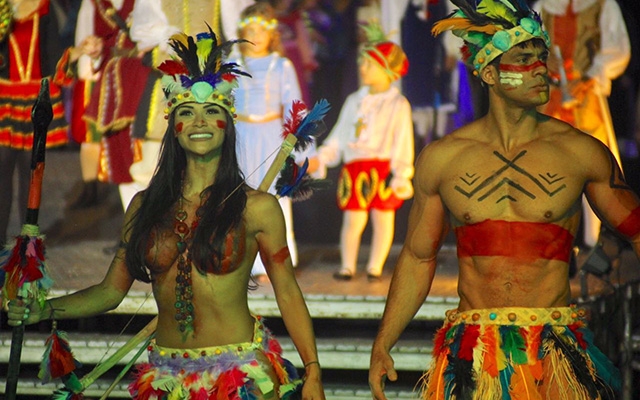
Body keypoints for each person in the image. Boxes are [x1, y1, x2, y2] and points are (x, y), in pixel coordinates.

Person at [5, 30, 325, 399]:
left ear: (228, 125)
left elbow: (287, 291)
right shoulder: (144, 205)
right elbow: (110, 292)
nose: (200, 122)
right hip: (166, 378)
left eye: (211, 112)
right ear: (174, 126)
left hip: (241, 377)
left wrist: (313, 369)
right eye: (187, 112)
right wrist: (43, 309)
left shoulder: (257, 208)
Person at [369, 0, 640, 399]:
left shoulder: (582, 152)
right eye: (523, 59)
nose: (540, 70)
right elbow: (418, 257)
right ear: (489, 73)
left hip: (552, 355)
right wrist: (382, 342)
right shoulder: (444, 158)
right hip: (473, 355)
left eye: (541, 58)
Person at [314, 22, 414, 282]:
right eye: (362, 62)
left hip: (382, 169)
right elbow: (339, 136)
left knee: (383, 219)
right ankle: (347, 265)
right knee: (353, 220)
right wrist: (323, 156)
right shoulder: (354, 101)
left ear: (386, 70)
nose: (362, 67)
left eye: (369, 63)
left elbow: (403, 141)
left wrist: (402, 173)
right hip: (356, 168)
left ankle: (375, 266)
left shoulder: (397, 103)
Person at [532, 0, 631, 249]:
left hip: (586, 100)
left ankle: (592, 243)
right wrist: (542, 60)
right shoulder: (545, 5)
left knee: (594, 171)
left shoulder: (602, 5)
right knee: (544, 170)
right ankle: (549, 244)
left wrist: (589, 77)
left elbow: (617, 49)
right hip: (551, 101)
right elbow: (530, 44)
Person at [232, 2, 314, 281]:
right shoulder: (233, 64)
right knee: (241, 196)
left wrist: (303, 147)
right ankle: (244, 261)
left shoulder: (281, 65)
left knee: (275, 198)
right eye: (250, 29)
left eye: (261, 29)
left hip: (270, 137)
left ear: (272, 34)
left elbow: (295, 106)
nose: (255, 35)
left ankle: (277, 259)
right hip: (241, 136)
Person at [0, 0, 79, 247]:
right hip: (4, 98)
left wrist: (77, 54)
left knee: (31, 172)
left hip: (34, 99)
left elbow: (54, 50)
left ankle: (27, 243)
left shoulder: (43, 7)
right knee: (2, 171)